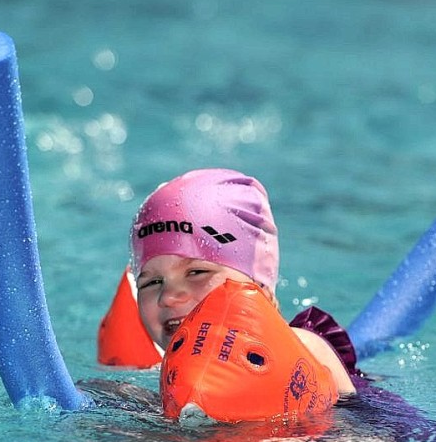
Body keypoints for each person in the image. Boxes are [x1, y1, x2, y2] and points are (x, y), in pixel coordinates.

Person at [129, 168, 356, 399]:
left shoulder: (305, 350)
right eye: (152, 282)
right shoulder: (160, 379)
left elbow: (360, 432)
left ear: (259, 284)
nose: (168, 296)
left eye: (197, 272)